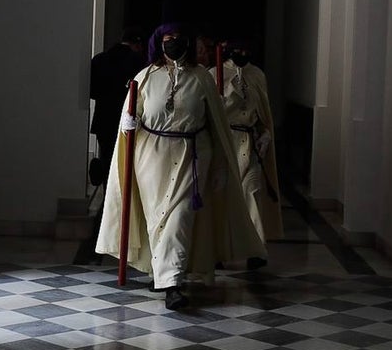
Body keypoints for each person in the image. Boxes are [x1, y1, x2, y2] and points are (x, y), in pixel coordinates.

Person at [95, 22, 265, 309]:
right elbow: (132, 114)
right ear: (158, 43)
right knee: (156, 219)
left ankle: (172, 283)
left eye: (178, 38)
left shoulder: (201, 79)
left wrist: (220, 167)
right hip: (151, 158)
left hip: (193, 155)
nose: (174, 43)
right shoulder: (146, 77)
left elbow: (215, 125)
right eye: (168, 38)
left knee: (180, 218)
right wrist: (127, 124)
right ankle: (161, 271)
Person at [219, 39, 283, 269]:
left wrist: (264, 133)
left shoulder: (256, 74)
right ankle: (218, 249)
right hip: (226, 143)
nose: (241, 52)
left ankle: (256, 248)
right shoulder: (214, 73)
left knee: (253, 193)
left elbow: (262, 110)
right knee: (222, 198)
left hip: (250, 143)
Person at [89, 27, 145, 185]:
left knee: (107, 159)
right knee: (126, 163)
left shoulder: (99, 60)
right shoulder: (138, 63)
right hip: (128, 119)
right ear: (138, 44)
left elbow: (92, 91)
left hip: (103, 119)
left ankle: (106, 198)